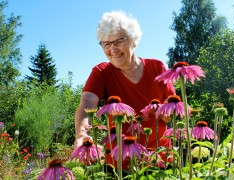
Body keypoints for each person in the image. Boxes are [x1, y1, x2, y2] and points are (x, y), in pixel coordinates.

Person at [74, 10, 175, 168]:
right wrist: (81, 134)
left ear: (134, 41)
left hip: (158, 159)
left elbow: (173, 110)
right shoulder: (101, 73)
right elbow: (87, 104)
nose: (112, 49)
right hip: (119, 164)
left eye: (118, 41)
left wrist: (162, 112)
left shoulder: (157, 68)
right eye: (106, 44)